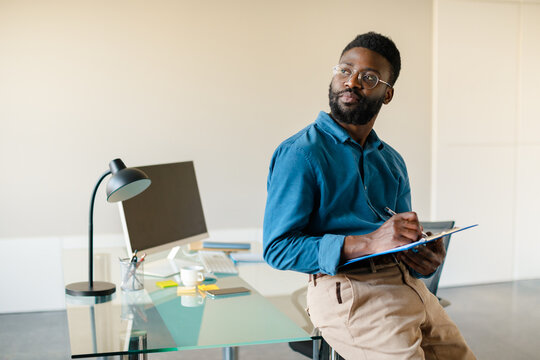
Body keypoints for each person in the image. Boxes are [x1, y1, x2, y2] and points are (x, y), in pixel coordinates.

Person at [263, 32, 475, 359]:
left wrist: (424, 260)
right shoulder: (301, 154)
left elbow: (402, 241)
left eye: (369, 77)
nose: (352, 82)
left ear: (387, 94)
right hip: (347, 291)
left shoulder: (391, 161)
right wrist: (368, 242)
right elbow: (278, 248)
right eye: (344, 71)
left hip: (408, 286)